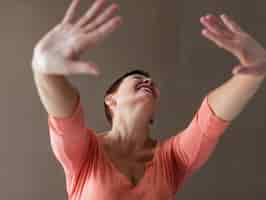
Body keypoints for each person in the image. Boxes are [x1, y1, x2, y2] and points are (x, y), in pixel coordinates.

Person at [31, 0, 266, 199]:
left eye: (152, 82)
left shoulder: (172, 157)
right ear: (111, 100)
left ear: (153, 113)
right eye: (138, 78)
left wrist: (253, 75)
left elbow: (209, 121)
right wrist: (44, 73)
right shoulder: (85, 151)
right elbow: (66, 116)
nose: (148, 82)